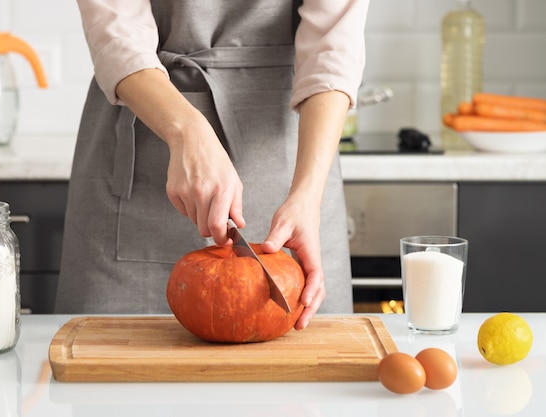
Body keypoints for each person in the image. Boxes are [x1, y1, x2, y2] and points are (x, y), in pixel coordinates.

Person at [55, 0, 369, 330]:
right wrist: (187, 131)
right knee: (104, 356)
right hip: (141, 142)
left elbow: (333, 47)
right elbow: (117, 32)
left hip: (296, 164)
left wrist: (307, 197)